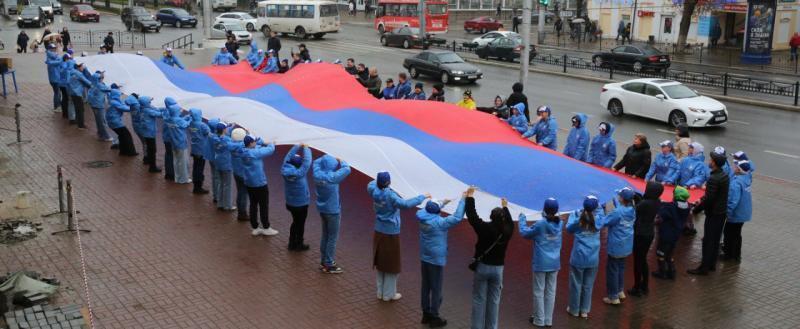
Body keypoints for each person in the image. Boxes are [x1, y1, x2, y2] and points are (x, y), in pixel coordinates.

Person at [368, 172, 427, 302]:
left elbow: (372, 183)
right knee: (391, 264)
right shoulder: (391, 196)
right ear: (388, 183)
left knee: (380, 262)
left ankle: (380, 292)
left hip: (378, 230)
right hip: (391, 233)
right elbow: (406, 204)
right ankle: (389, 294)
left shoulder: (372, 190)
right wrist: (422, 197)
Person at [417, 191, 468, 328]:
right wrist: (463, 199)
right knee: (436, 288)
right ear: (437, 212)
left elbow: (431, 207)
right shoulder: (439, 222)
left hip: (425, 257)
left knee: (425, 286)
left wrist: (443, 202)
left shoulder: (422, 216)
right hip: (436, 260)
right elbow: (457, 217)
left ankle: (425, 313)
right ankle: (434, 316)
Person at [467, 190, 513, 329]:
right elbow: (510, 222)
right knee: (494, 301)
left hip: (482, 267)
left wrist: (470, 198)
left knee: (479, 300)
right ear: (503, 218)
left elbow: (472, 217)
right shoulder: (507, 231)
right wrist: (505, 206)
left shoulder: (484, 228)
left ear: (491, 217)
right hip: (498, 269)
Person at [519, 198, 562, 327]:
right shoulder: (560, 224)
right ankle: (548, 320)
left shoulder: (540, 224)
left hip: (541, 263)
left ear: (544, 209)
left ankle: (539, 319)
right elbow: (553, 218)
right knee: (551, 292)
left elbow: (524, 233)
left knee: (539, 291)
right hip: (554, 263)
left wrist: (522, 219)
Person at [687, 151, 730, 275]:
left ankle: (703, 268)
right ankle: (711, 264)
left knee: (708, 240)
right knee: (715, 239)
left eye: (711, 161)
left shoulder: (713, 178)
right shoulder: (724, 175)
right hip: (721, 213)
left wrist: (697, 208)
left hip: (714, 213)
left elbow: (710, 199)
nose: (709, 162)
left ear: (715, 163)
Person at [313, 155, 352, 274]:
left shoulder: (317, 174)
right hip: (333, 211)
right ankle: (329, 263)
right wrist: (341, 159)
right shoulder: (333, 177)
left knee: (325, 235)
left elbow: (315, 162)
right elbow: (347, 169)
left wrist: (325, 157)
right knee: (332, 238)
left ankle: (323, 261)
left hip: (322, 209)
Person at [565, 196, 602, 319]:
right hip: (593, 258)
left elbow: (569, 229)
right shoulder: (599, 218)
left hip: (578, 257)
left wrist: (575, 214)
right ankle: (584, 310)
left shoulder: (578, 218)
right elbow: (602, 213)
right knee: (588, 285)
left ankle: (574, 309)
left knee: (576, 284)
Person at [601, 187, 636, 305]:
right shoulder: (632, 209)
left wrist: (601, 212)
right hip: (626, 244)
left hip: (616, 245)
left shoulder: (617, 212)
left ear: (622, 198)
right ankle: (620, 290)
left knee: (612, 270)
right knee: (621, 267)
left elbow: (605, 222)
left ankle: (613, 296)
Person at [629, 182, 662, 297]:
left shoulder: (645, 203)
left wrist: (634, 198)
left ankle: (636, 287)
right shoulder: (657, 202)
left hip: (640, 234)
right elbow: (642, 203)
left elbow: (635, 209)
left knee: (638, 261)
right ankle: (644, 285)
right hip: (649, 233)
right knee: (643, 260)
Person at [241, 135, 278, 236]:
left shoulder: (244, 150)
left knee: (253, 204)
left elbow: (257, 145)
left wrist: (260, 141)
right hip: (260, 183)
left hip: (249, 182)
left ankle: (255, 227)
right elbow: (270, 150)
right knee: (263, 205)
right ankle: (266, 227)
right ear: (251, 143)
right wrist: (271, 143)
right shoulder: (255, 153)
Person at [650, 186, 690, 280]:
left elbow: (661, 213)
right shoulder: (687, 207)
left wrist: (661, 203)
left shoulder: (670, 207)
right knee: (670, 254)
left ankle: (662, 272)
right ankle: (672, 272)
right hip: (675, 235)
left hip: (666, 234)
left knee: (661, 253)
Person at [282, 144, 313, 251]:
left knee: (295, 222)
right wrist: (306, 147)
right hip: (301, 203)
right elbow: (307, 162)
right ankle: (298, 244)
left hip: (290, 203)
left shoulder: (284, 168)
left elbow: (288, 156)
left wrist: (298, 145)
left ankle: (292, 243)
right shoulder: (300, 173)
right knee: (300, 224)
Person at [721, 160, 752, 263]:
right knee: (737, 234)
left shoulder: (736, 182)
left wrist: (727, 213)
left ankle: (728, 255)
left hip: (735, 214)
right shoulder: (746, 178)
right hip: (743, 213)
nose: (733, 167)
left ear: (739, 169)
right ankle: (736, 256)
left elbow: (733, 200)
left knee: (728, 233)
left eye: (735, 166)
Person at [163, 99, 192, 184]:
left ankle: (177, 177)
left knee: (176, 161)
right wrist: (189, 118)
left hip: (173, 143)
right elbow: (185, 124)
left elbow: (178, 121)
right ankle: (183, 179)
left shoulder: (169, 118)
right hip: (181, 143)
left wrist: (185, 117)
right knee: (182, 162)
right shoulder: (178, 120)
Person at [212, 123, 236, 210]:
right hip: (226, 164)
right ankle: (228, 205)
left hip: (218, 162)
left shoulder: (214, 138)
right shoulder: (227, 140)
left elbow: (223, 133)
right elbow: (234, 145)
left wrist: (231, 126)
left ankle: (220, 203)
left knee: (221, 183)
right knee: (228, 185)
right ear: (223, 130)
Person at [106, 89, 137, 156]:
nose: (120, 96)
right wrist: (134, 108)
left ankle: (123, 151)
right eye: (119, 95)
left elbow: (122, 104)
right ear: (116, 95)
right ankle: (130, 152)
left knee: (122, 136)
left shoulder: (112, 100)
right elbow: (123, 108)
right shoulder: (114, 102)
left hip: (113, 121)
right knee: (127, 135)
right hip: (115, 122)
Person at [138, 96, 163, 173]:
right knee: (152, 150)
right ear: (146, 103)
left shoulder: (142, 109)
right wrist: (169, 111)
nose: (150, 103)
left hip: (146, 133)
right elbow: (159, 114)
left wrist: (163, 108)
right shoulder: (148, 111)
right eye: (149, 102)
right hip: (150, 134)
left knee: (149, 149)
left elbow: (156, 110)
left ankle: (149, 161)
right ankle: (152, 167)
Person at [229, 128, 250, 220]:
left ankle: (240, 212)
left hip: (236, 172)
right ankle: (242, 213)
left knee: (240, 192)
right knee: (243, 194)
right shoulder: (243, 146)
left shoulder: (231, 145)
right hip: (243, 173)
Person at [188, 109, 211, 193]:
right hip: (201, 150)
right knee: (200, 169)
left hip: (194, 148)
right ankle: (198, 187)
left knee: (196, 167)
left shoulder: (191, 123)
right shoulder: (202, 125)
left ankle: (196, 185)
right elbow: (209, 133)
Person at [87, 72, 113, 142]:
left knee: (98, 121)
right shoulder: (99, 85)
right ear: (98, 79)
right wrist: (116, 87)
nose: (102, 79)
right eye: (101, 78)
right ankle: (106, 136)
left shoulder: (93, 84)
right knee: (102, 121)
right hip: (98, 105)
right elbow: (110, 89)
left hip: (94, 105)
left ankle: (100, 134)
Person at [68, 63, 92, 129]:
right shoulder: (79, 74)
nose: (83, 68)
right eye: (82, 66)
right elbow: (87, 82)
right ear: (78, 67)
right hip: (77, 93)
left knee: (76, 108)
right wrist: (94, 85)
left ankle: (78, 122)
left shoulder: (72, 72)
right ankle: (81, 125)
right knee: (80, 109)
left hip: (72, 92)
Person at [45, 44, 62, 111]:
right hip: (55, 79)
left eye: (55, 48)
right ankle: (57, 106)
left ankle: (58, 105)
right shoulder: (52, 57)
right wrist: (60, 60)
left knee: (57, 92)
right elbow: (58, 62)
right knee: (57, 93)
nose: (55, 49)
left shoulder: (52, 56)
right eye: (53, 48)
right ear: (50, 49)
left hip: (54, 78)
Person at [58, 54, 74, 121]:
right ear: (66, 59)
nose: (70, 60)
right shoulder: (66, 65)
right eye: (69, 58)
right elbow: (68, 75)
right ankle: (66, 113)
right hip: (65, 85)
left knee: (64, 98)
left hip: (61, 84)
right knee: (66, 99)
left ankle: (64, 113)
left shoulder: (61, 64)